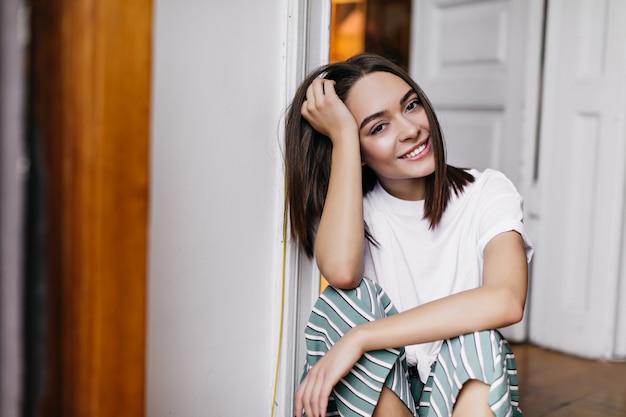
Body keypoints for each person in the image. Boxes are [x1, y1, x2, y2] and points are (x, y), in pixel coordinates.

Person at [284, 54, 533, 417]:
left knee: (478, 340)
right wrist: (341, 136)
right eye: (378, 128)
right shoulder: (354, 213)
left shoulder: (487, 191)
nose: (411, 129)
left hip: (461, 393)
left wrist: (361, 339)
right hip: (384, 396)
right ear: (359, 150)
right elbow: (341, 271)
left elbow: (506, 301)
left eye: (411, 105)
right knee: (346, 302)